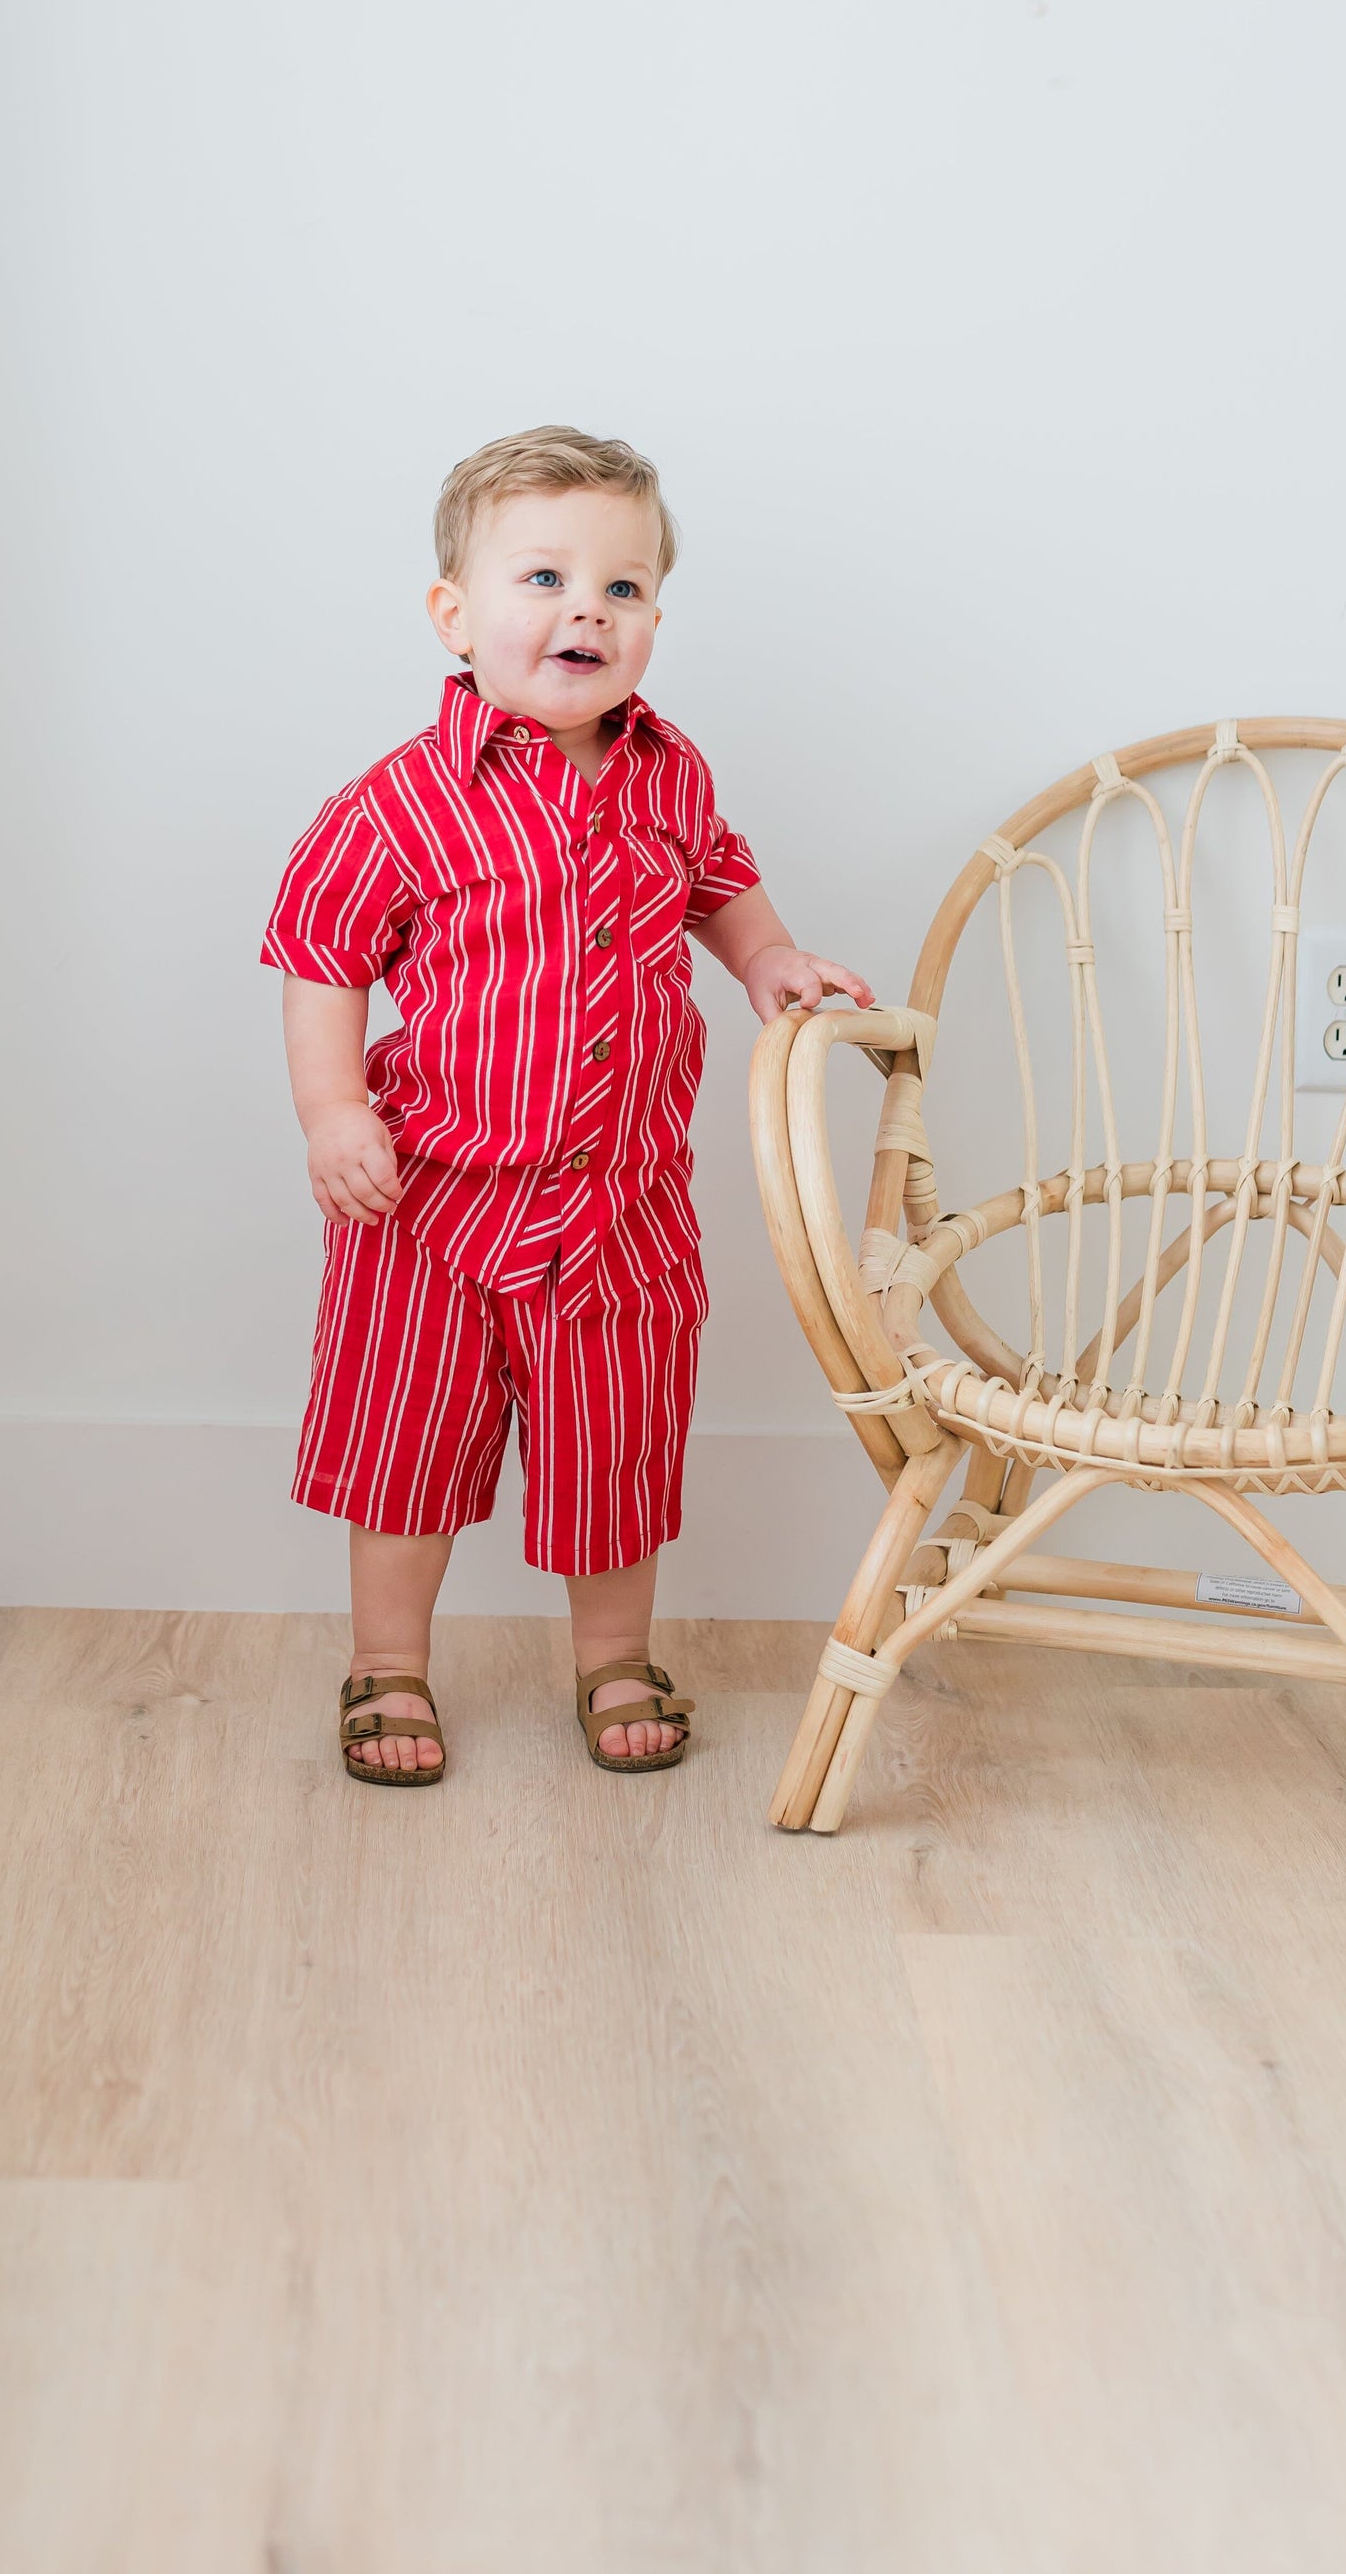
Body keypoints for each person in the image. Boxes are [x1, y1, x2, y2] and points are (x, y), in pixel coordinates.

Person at [263, 427, 873, 1785]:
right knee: (403, 1447)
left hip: (619, 1199)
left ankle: (611, 1654)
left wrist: (768, 958)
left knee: (613, 1448)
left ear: (653, 616)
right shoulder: (401, 804)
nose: (582, 610)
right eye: (541, 578)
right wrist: (332, 1114)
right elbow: (322, 963)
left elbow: (716, 883)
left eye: (621, 586)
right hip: (430, 1200)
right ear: (455, 614)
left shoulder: (669, 775)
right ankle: (386, 1665)